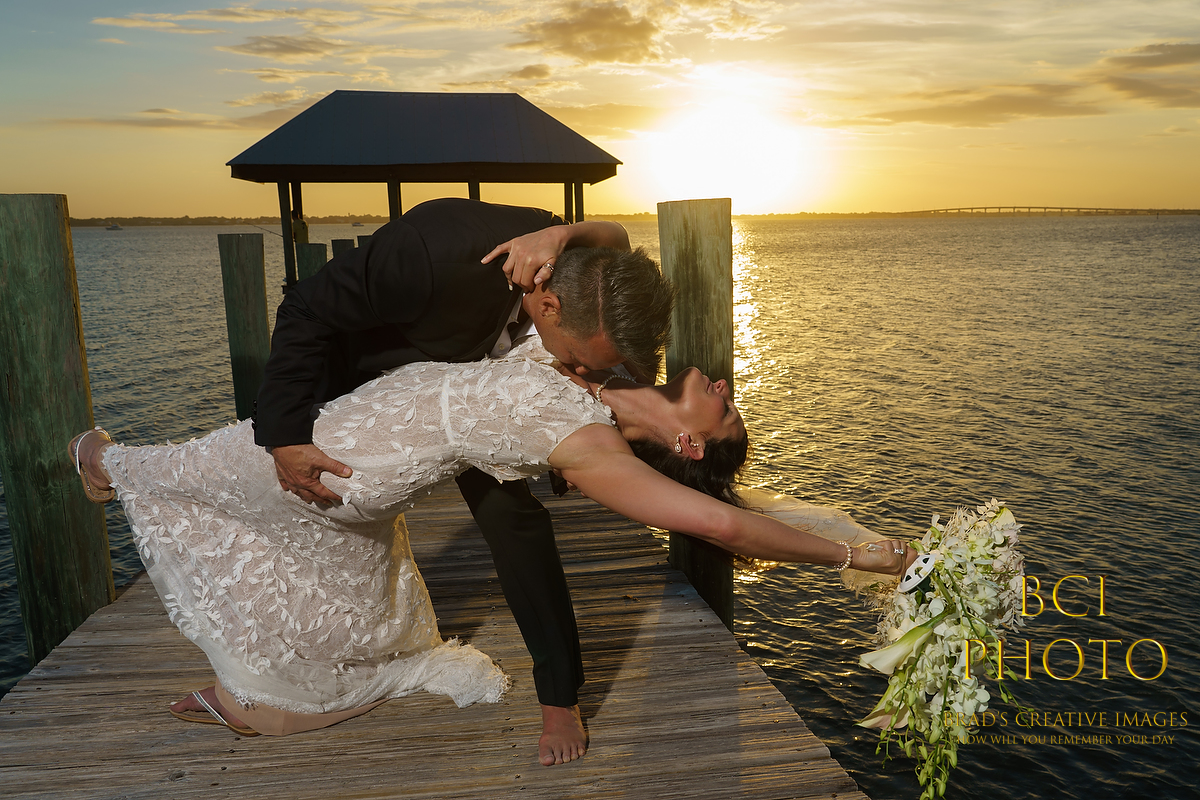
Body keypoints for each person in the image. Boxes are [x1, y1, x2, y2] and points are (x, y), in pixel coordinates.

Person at [69, 338, 914, 746]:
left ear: (689, 445)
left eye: (723, 407)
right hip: (361, 460)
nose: (723, 384)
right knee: (338, 589)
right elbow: (602, 256)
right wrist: (562, 234)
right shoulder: (604, 364)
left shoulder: (595, 451)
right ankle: (288, 698)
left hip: (337, 457)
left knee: (168, 469)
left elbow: (721, 522)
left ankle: (101, 466)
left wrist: (858, 555)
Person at [252, 198, 672, 765]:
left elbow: (617, 241)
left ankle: (559, 699)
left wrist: (565, 232)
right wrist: (283, 435)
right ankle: (287, 664)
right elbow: (305, 306)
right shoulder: (428, 255)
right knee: (310, 513)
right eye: (577, 359)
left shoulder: (581, 265)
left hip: (476, 387)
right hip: (367, 375)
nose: (579, 375)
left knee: (515, 523)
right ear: (548, 306)